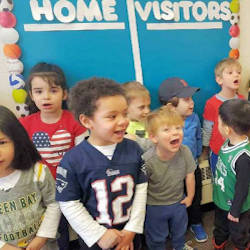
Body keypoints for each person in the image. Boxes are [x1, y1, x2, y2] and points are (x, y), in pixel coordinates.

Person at [55, 77, 148, 250]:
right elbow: (69, 203)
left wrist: (131, 230)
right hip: (97, 241)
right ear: (86, 121)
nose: (122, 121)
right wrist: (98, 234)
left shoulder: (134, 149)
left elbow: (141, 190)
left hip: (130, 236)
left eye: (125, 113)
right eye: (112, 116)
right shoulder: (73, 160)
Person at [19, 62, 87, 250]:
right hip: (41, 190)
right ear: (32, 96)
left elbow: (83, 156)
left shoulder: (74, 120)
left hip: (70, 186)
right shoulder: (24, 124)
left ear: (64, 94)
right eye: (39, 92)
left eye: (53, 90)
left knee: (73, 228)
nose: (46, 97)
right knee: (53, 230)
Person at [0, 105, 60, 250]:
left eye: (2, 143)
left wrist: (41, 237)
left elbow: (54, 203)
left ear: (16, 140)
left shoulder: (37, 172)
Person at [158, 77, 208, 243]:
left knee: (195, 197)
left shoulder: (193, 118)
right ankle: (178, 227)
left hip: (192, 166)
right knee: (176, 200)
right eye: (186, 99)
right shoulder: (161, 123)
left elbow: (198, 136)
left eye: (191, 98)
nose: (191, 103)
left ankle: (196, 222)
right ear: (170, 105)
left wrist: (200, 152)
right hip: (172, 170)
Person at [143, 105, 196, 250]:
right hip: (155, 206)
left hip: (178, 201)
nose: (175, 133)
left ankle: (179, 246)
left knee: (180, 231)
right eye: (167, 129)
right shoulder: (148, 160)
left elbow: (190, 175)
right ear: (153, 137)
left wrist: (190, 196)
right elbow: (141, 187)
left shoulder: (185, 151)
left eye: (178, 128)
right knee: (157, 236)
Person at [212, 99, 250, 250]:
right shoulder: (228, 142)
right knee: (220, 227)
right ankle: (219, 242)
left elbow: (242, 188)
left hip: (238, 208)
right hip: (222, 200)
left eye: (218, 123)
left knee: (239, 233)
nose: (217, 126)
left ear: (227, 129)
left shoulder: (243, 157)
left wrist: (235, 210)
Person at [202, 58, 244, 176]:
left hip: (239, 151)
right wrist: (205, 150)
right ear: (219, 79)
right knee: (219, 183)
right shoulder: (212, 103)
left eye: (238, 72)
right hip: (218, 152)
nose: (236, 75)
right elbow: (208, 128)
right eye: (230, 73)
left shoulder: (242, 100)